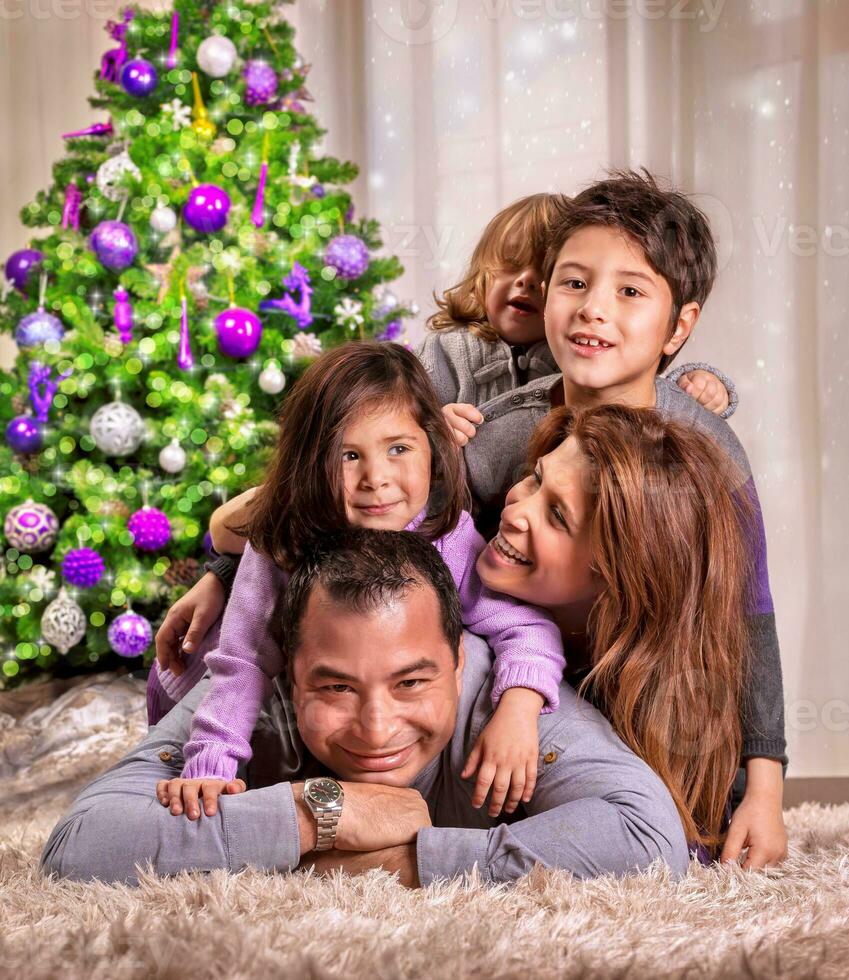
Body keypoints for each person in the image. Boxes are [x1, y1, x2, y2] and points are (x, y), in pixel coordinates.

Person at [452, 170, 788, 866]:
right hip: (526, 685)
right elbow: (394, 519)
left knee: (684, 823)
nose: (591, 310)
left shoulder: (709, 453)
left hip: (650, 695)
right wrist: (223, 567)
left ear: (678, 327)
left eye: (628, 291)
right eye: (573, 283)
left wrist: (763, 790)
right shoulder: (511, 431)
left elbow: (748, 617)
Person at [40, 528, 691, 887]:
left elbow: (647, 839)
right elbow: (80, 844)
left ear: (460, 661)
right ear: (287, 676)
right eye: (335, 688)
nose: (377, 728)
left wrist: (398, 861)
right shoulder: (240, 705)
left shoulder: (512, 705)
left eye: (411, 683)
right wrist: (319, 812)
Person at [150, 342, 568, 823]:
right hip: (198, 678)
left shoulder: (445, 533)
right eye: (349, 455)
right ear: (313, 462)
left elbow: (523, 625)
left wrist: (517, 709)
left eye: (398, 449)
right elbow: (242, 660)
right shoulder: (282, 543)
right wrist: (211, 764)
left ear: (433, 449)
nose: (376, 478)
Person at [415, 191, 737, 436]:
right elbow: (391, 420)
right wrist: (432, 429)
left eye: (540, 270)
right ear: (481, 275)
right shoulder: (445, 352)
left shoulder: (582, 352)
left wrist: (702, 382)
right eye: (509, 265)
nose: (525, 280)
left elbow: (644, 387)